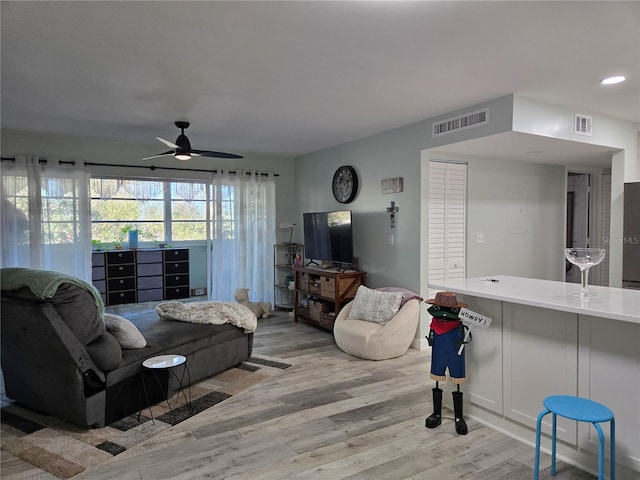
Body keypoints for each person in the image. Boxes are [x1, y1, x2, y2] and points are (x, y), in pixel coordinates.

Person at [424, 291, 471, 435]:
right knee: (437, 380)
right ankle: (436, 413)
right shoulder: (434, 326)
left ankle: (458, 417)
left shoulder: (459, 327)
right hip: (439, 354)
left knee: (457, 382)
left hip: (455, 355)